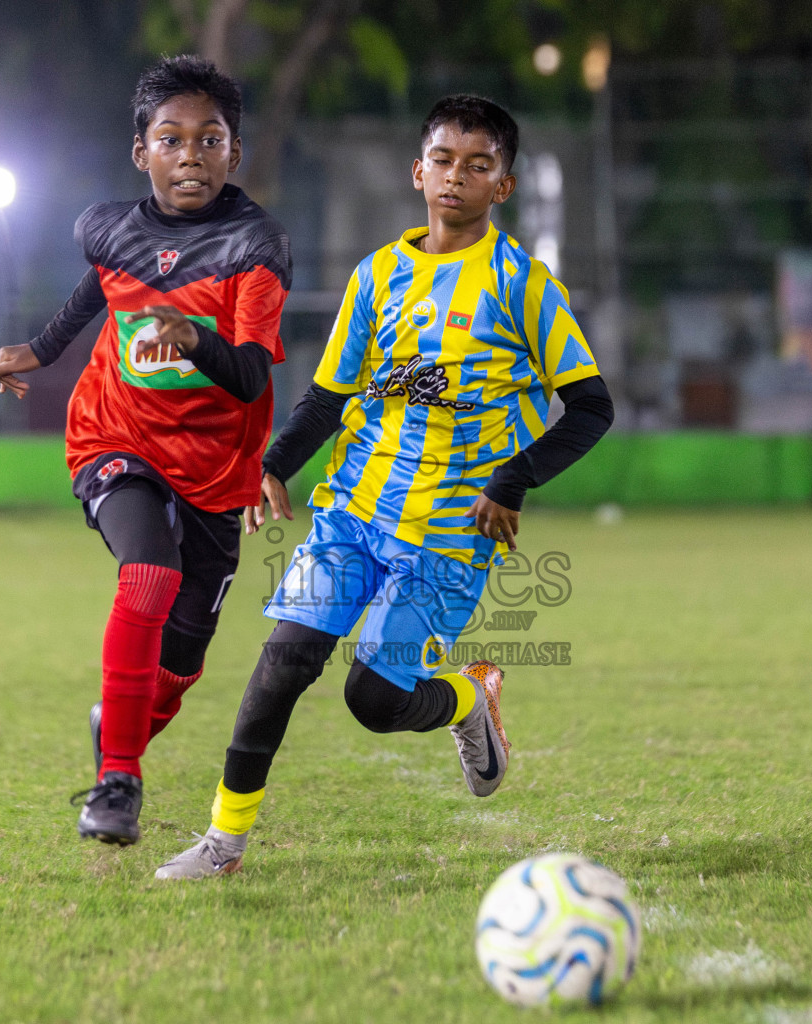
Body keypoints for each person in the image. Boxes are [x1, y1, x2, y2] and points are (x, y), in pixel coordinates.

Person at [153, 95, 615, 880]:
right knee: (283, 663)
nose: (455, 178)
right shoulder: (378, 275)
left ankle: (469, 700)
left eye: (478, 166)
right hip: (353, 515)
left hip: (449, 536)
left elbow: (592, 407)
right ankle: (223, 844)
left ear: (502, 186)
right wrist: (273, 464)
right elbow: (328, 398)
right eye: (442, 160)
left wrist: (513, 479)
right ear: (418, 170)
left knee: (372, 700)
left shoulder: (522, 285)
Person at [0, 55, 290, 847]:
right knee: (148, 571)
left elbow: (254, 374)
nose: (190, 153)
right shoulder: (109, 227)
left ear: (233, 153)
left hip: (217, 468)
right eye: (171, 138)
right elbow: (97, 289)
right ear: (142, 152)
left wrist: (194, 338)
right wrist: (41, 351)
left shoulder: (254, 247)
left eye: (210, 139)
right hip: (113, 438)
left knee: (182, 664)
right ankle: (117, 783)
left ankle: (115, 726)